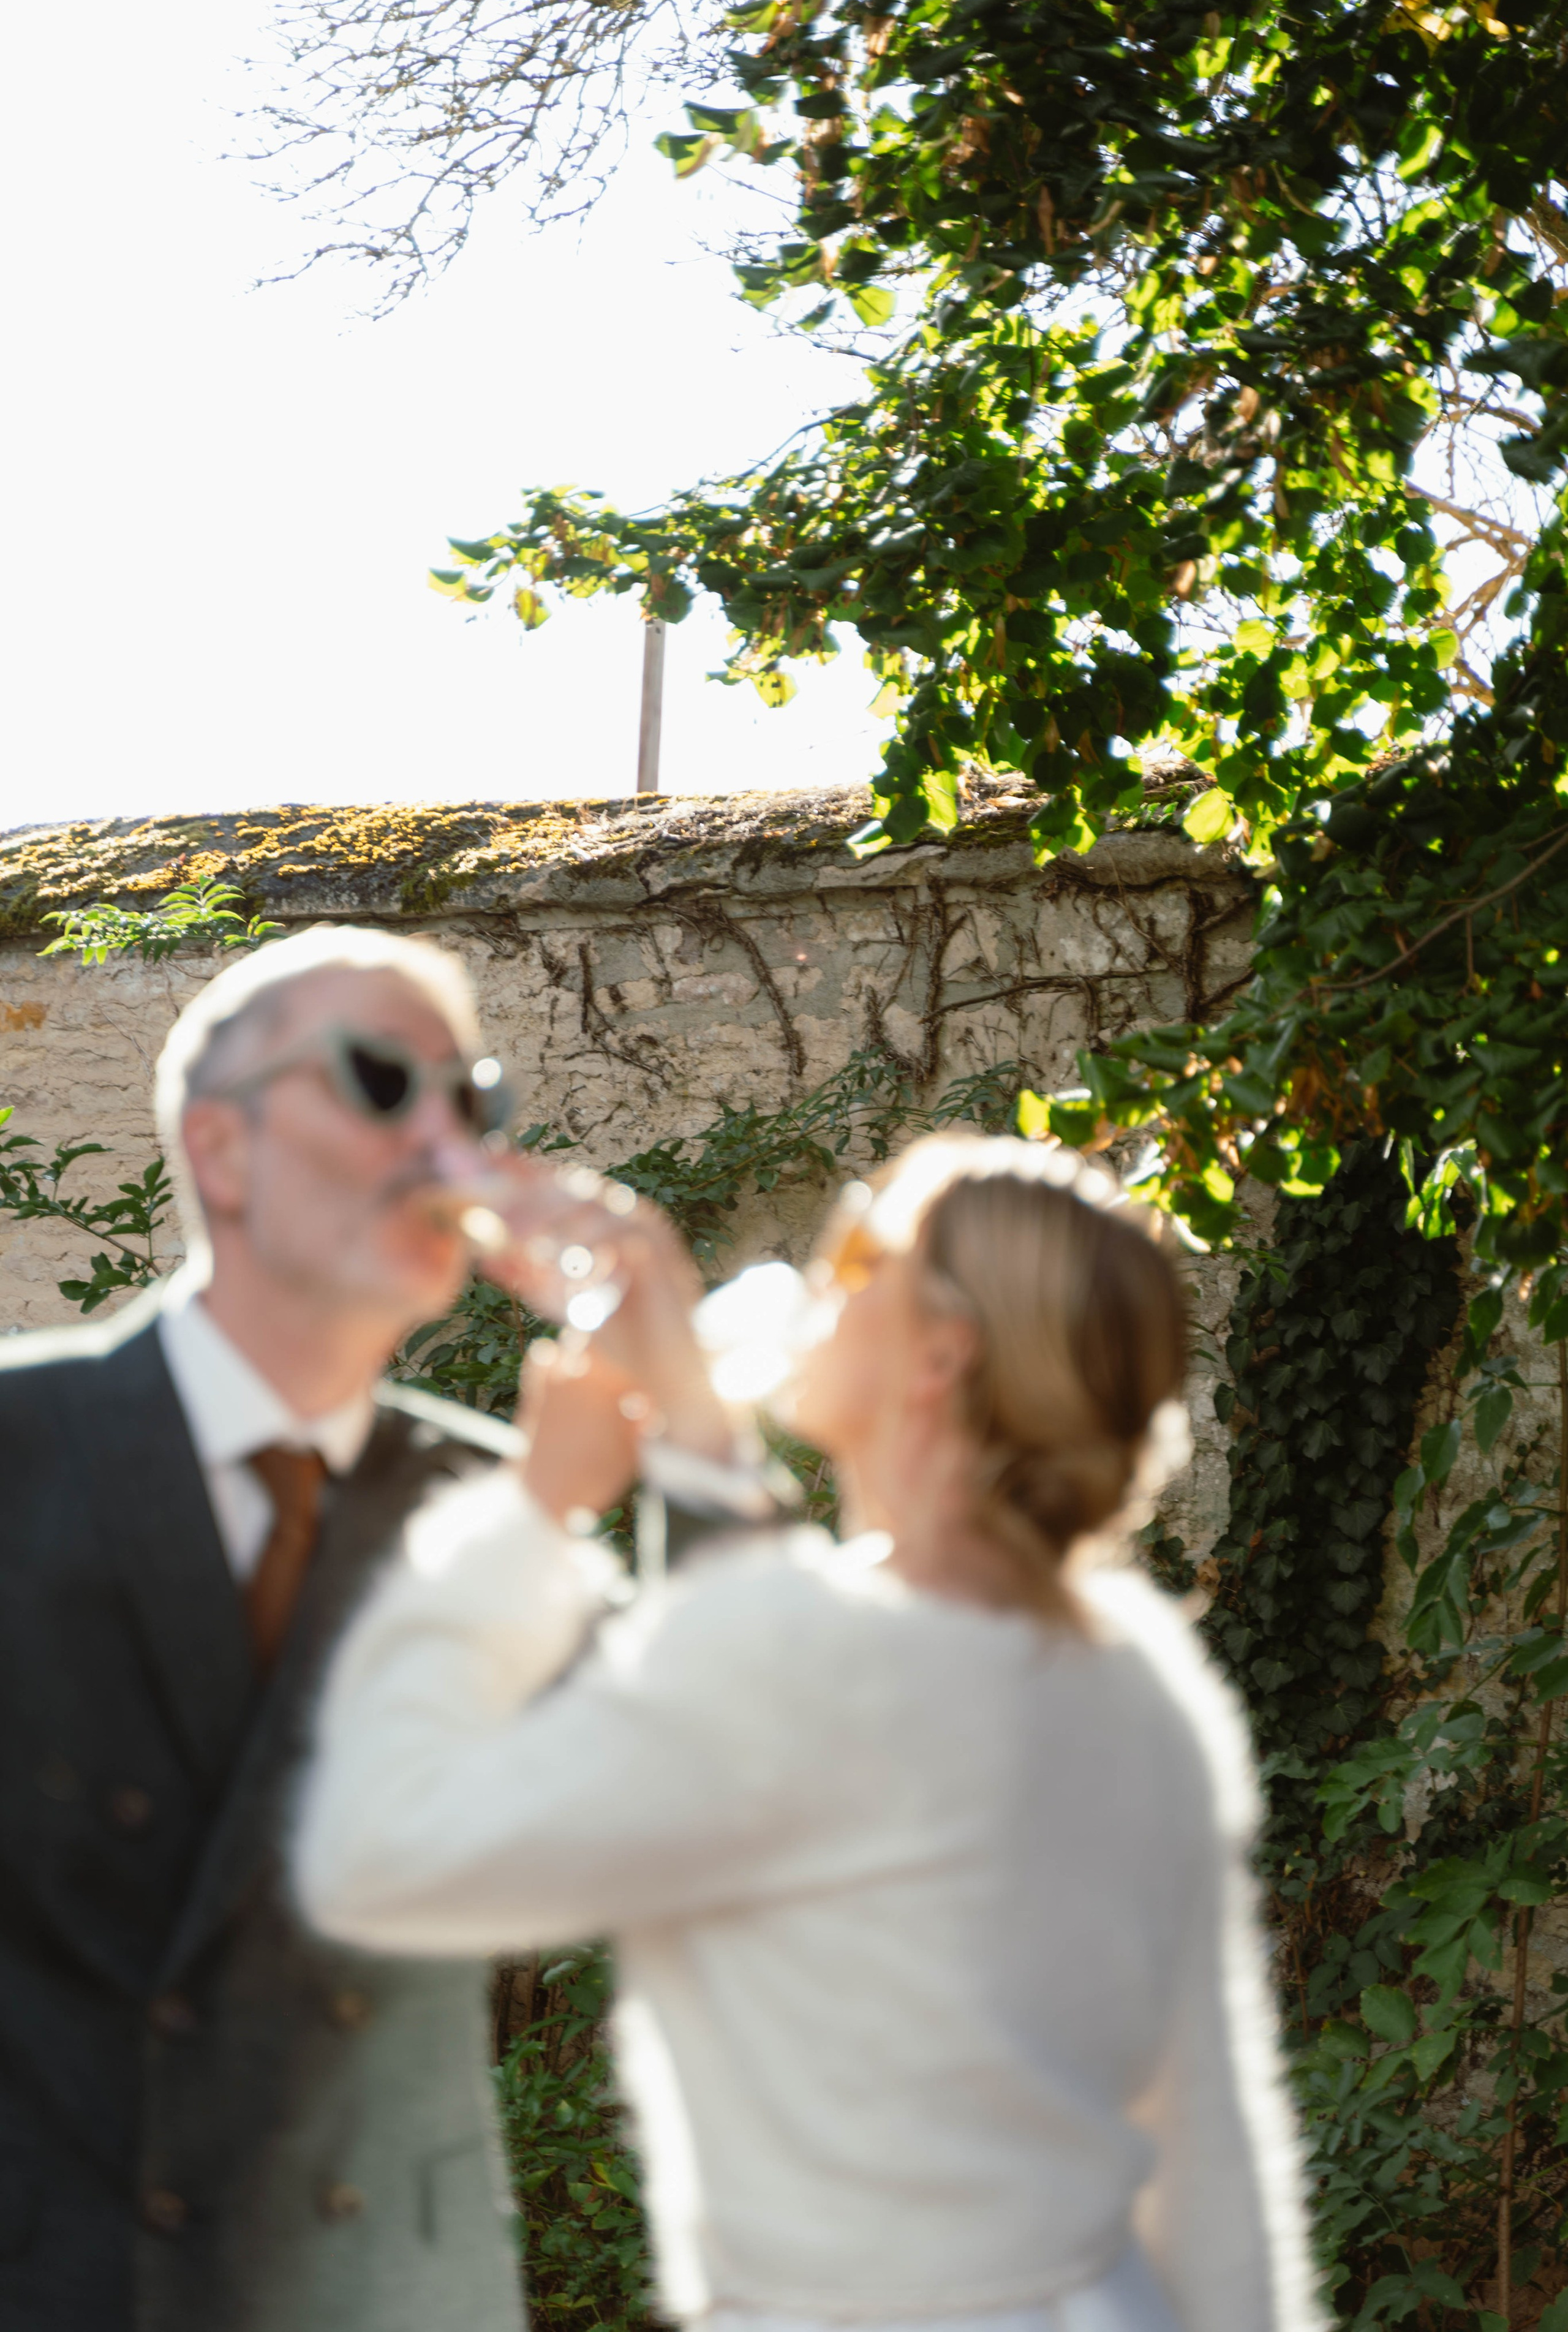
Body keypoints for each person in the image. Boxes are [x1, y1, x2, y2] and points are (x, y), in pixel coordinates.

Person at [295, 1130, 1323, 2332]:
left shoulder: (795, 1659)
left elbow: (373, 1855)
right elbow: (1207, 2151)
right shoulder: (1133, 1673)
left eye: (857, 1254)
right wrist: (683, 1405)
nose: (817, 1277)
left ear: (941, 1352)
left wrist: (532, 1511)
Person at [0, 923, 546, 2332]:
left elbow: (704, 1817)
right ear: (223, 1153)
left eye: (469, 1097)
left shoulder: (495, 1504)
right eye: (380, 1081)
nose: (443, 1142)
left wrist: (681, 1435)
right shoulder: (17, 1448)